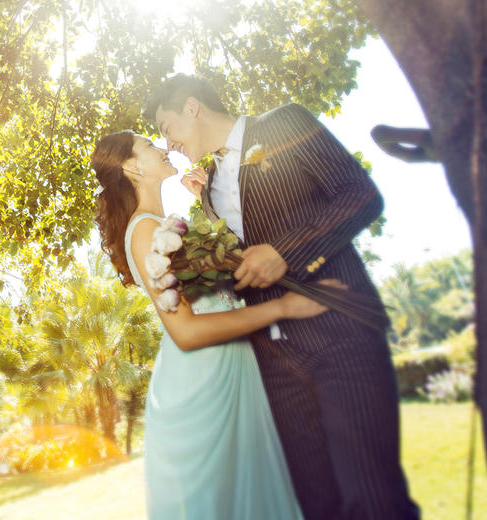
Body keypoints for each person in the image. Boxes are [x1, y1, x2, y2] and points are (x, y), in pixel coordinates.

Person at [146, 73, 419, 520]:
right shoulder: (209, 191)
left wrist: (286, 253)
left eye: (166, 127)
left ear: (192, 107)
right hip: (273, 365)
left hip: (339, 333)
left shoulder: (285, 123)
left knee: (372, 498)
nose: (168, 142)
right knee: (315, 504)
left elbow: (359, 195)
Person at [91, 130, 343, 520]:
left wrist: (207, 201)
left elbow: (231, 268)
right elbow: (186, 331)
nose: (161, 148)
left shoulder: (167, 225)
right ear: (131, 167)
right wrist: (284, 308)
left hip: (232, 367)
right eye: (148, 146)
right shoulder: (143, 231)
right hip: (200, 383)